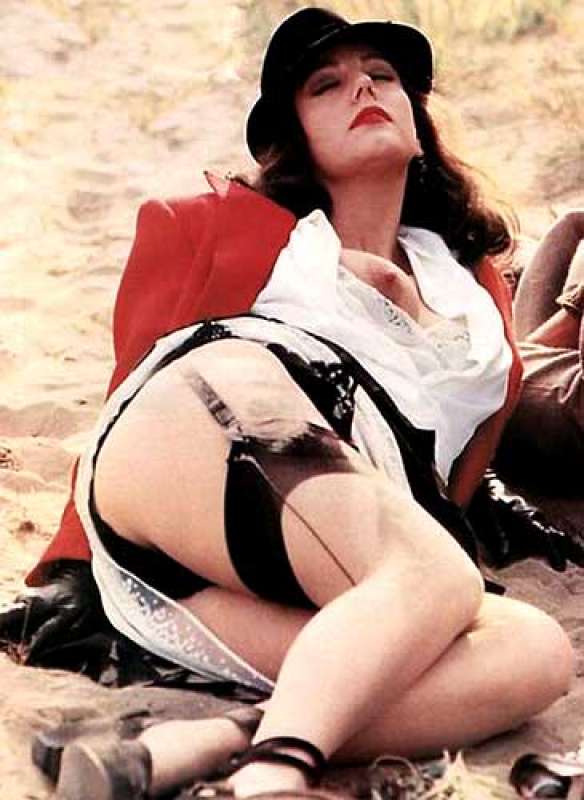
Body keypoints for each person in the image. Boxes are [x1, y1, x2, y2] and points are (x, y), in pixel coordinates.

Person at [11, 7, 578, 799]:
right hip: (210, 424)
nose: (362, 90)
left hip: (337, 544)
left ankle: (207, 743)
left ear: (419, 123)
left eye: (381, 76)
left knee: (532, 652)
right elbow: (134, 380)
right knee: (436, 578)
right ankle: (273, 779)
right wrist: (73, 569)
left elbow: (460, 457)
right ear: (296, 136)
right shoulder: (226, 230)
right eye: (327, 86)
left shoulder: (471, 286)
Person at [496, 209, 584, 495]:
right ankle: (528, 351)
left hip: (571, 405)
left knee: (486, 379)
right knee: (572, 223)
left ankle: (525, 353)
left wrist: (574, 308)